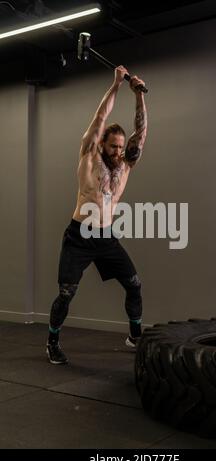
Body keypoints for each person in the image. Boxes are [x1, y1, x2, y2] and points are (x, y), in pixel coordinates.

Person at [46, 65, 147, 364]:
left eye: (120, 147)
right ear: (101, 143)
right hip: (79, 236)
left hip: (105, 237)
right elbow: (100, 119)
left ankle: (135, 336)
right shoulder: (90, 157)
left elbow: (141, 133)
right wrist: (116, 84)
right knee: (66, 293)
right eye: (113, 146)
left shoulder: (125, 166)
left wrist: (139, 95)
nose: (117, 151)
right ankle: (52, 341)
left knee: (134, 284)